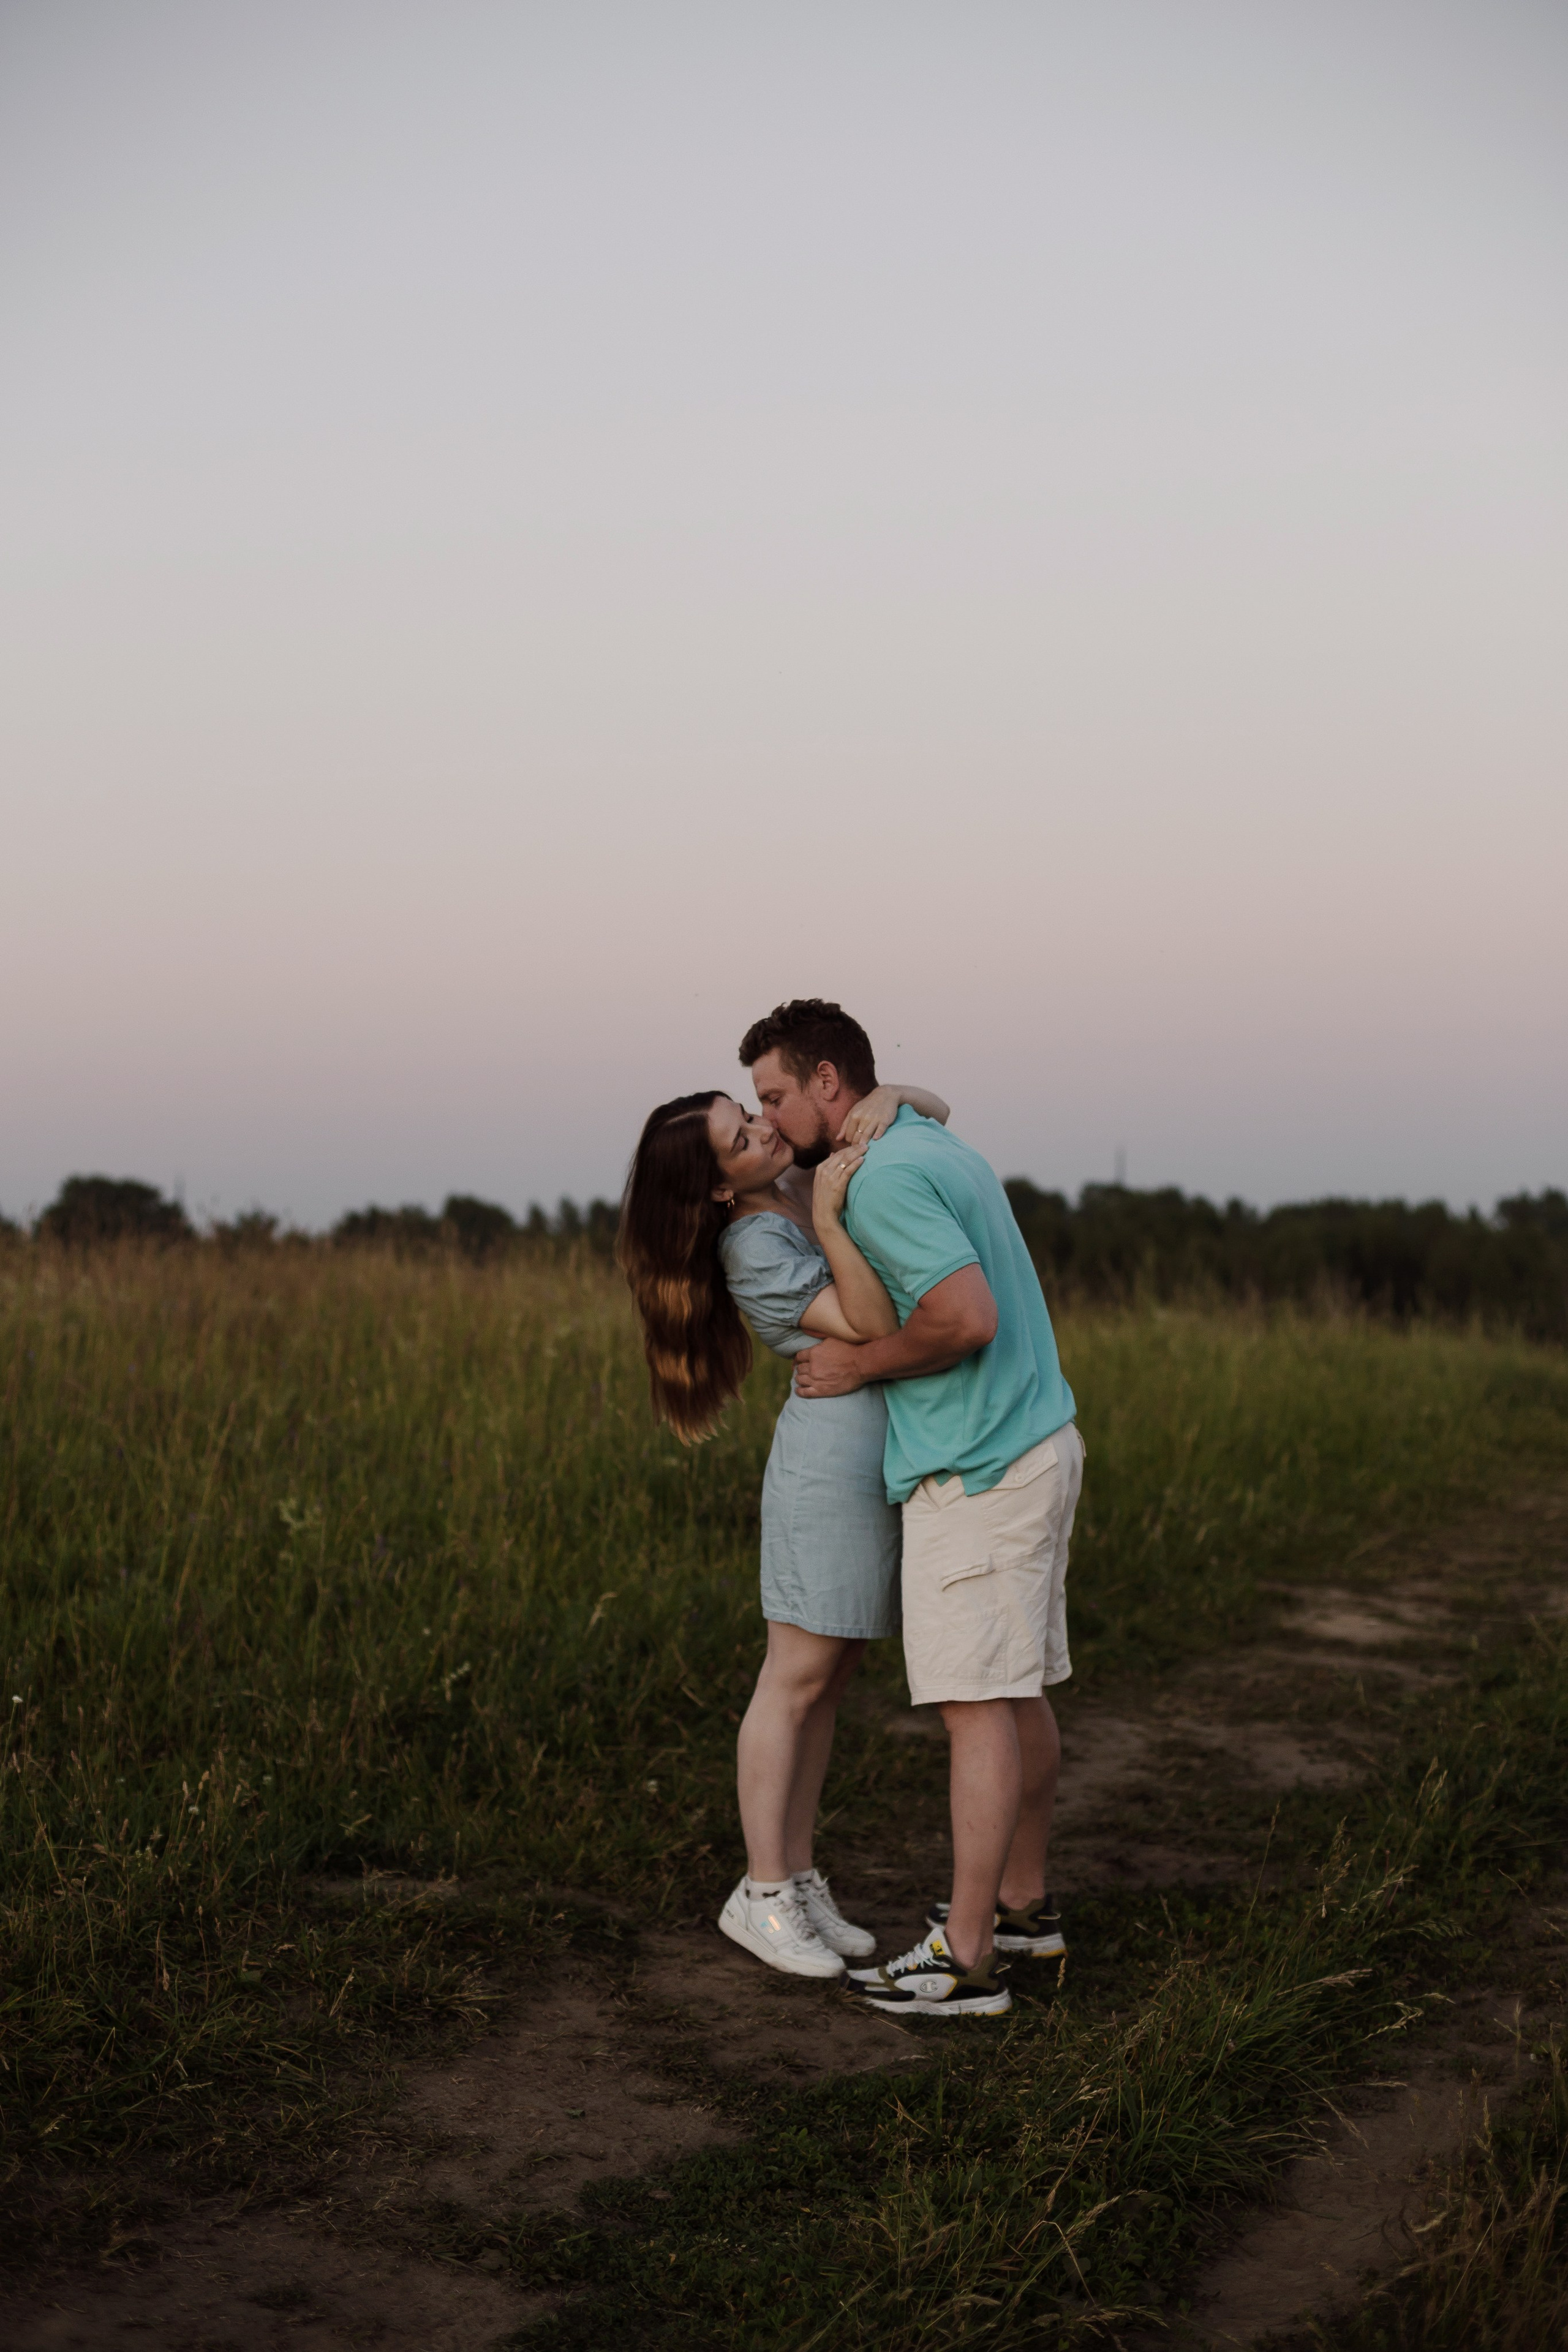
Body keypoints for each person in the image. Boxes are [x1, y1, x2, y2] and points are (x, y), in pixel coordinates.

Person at [740, 999, 1082, 2020]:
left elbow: (964, 1318)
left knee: (975, 1706)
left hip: (978, 1464)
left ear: (828, 1084)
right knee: (1014, 1692)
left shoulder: (879, 1178)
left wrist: (862, 1365)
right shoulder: (924, 1141)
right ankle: (1020, 1907)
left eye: (774, 1096)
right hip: (1035, 1440)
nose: (767, 1117)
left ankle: (965, 1959)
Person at [617, 1076, 951, 1980]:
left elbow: (937, 1114)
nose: (766, 1132)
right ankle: (761, 1893)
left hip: (868, 1457)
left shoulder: (791, 1182)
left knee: (829, 1679)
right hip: (825, 1472)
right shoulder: (756, 1241)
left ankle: (799, 1878)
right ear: (717, 1188)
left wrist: (891, 1092)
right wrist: (833, 1218)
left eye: (751, 1115)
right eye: (741, 1141)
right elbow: (872, 1321)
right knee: (794, 1679)